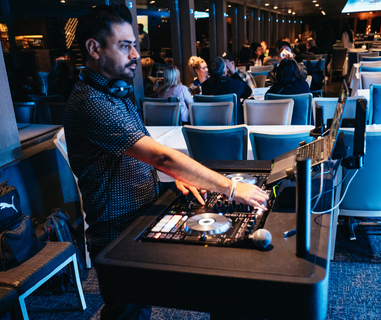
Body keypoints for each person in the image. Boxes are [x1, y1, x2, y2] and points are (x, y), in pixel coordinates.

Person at [65, 5, 268, 319]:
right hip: (116, 235)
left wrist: (176, 173)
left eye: (134, 44)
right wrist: (231, 187)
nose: (135, 53)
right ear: (94, 49)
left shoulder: (117, 93)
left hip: (139, 219)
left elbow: (142, 150)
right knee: (127, 312)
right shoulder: (91, 103)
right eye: (124, 45)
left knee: (144, 304)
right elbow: (160, 154)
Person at [202, 57, 252, 125]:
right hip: (234, 127)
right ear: (225, 71)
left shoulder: (205, 86)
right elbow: (248, 92)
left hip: (212, 125)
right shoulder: (235, 84)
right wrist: (234, 74)